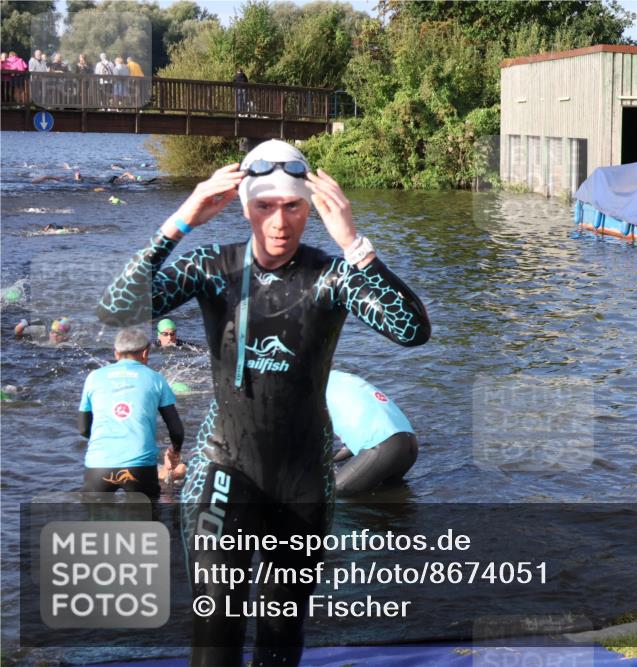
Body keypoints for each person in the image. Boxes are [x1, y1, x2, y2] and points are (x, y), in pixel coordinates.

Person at [97, 138, 431, 666]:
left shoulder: (333, 276)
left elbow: (411, 330)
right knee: (216, 629)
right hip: (223, 469)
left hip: (302, 480)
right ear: (245, 206)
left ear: (311, 208)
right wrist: (181, 221)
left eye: (293, 206)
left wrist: (355, 242)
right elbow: (115, 310)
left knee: (281, 632)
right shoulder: (214, 267)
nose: (279, 221)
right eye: (265, 205)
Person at [78, 328, 184, 501]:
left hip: (99, 465)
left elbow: (83, 428)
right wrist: (175, 451)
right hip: (140, 467)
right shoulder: (156, 378)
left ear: (116, 353)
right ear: (145, 353)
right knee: (148, 516)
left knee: (95, 516)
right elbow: (176, 429)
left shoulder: (94, 377)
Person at [326, 370, 419, 496]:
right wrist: (330, 459)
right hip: (409, 443)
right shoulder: (343, 378)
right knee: (390, 496)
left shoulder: (316, 388)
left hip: (384, 447)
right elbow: (360, 437)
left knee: (333, 491)